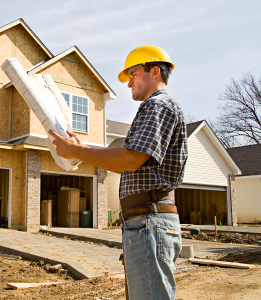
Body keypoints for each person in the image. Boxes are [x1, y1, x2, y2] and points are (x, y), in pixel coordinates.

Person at [49, 45, 188, 300]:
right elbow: (129, 157)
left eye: (133, 74)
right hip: (144, 221)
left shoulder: (159, 106)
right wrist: (83, 149)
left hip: (149, 220)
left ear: (154, 71)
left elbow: (131, 158)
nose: (128, 83)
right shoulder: (153, 108)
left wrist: (78, 152)